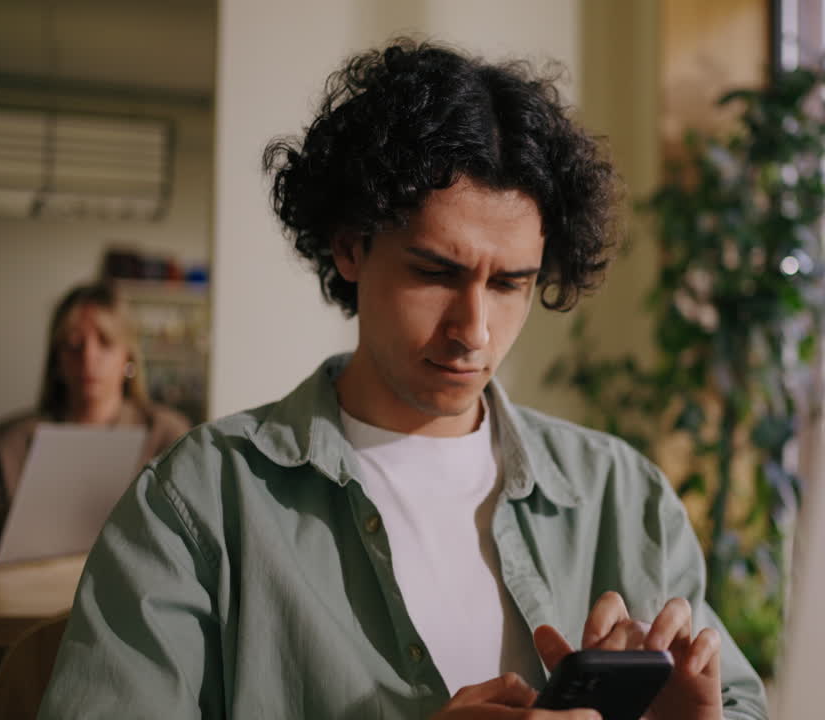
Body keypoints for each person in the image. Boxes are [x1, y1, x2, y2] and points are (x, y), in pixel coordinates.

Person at [39, 40, 769, 720]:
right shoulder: (200, 505)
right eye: (435, 273)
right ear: (351, 246)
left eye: (511, 283)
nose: (474, 330)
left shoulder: (621, 496)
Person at [0, 282, 191, 553]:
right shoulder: (12, 439)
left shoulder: (167, 433)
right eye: (73, 344)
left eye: (105, 343)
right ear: (56, 357)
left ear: (129, 357)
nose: (88, 358)